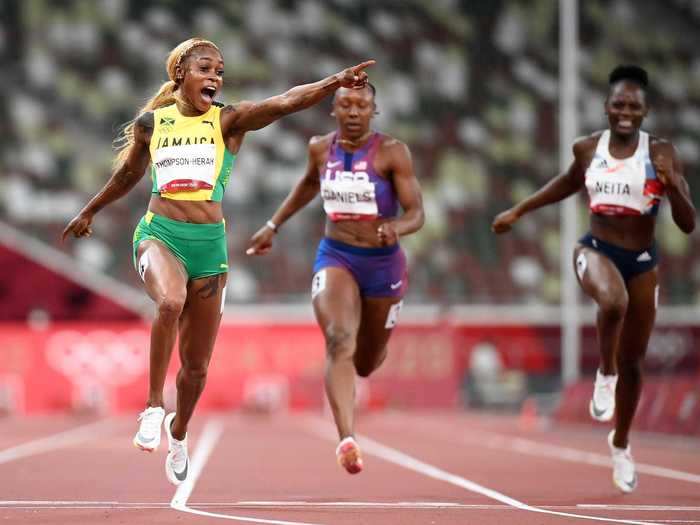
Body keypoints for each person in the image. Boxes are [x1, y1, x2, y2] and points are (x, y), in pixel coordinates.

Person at [62, 36, 374, 485]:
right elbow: (130, 173)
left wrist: (335, 81)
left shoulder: (229, 121)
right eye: (206, 69)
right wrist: (90, 209)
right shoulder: (153, 124)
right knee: (169, 302)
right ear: (180, 76)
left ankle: (180, 430)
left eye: (219, 71)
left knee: (196, 369)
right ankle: (152, 408)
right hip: (159, 234)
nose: (215, 77)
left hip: (209, 247)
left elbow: (286, 102)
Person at [492, 65, 695, 493]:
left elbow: (688, 223)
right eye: (618, 104)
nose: (625, 112)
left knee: (635, 364)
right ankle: (605, 373)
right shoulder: (588, 149)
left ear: (645, 111)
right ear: (606, 107)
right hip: (595, 251)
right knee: (613, 303)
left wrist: (672, 183)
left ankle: (620, 444)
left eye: (633, 106)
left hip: (642, 260)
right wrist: (518, 211)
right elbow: (564, 185)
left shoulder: (661, 152)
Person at [246, 83, 424, 474]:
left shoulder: (392, 152)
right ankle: (347, 438)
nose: (354, 111)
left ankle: (370, 354)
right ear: (334, 110)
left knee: (366, 362)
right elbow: (309, 184)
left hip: (383, 265)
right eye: (346, 104)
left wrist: (398, 226)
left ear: (374, 111)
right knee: (338, 338)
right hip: (338, 256)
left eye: (362, 105)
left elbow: (417, 212)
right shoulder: (320, 148)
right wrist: (272, 225)